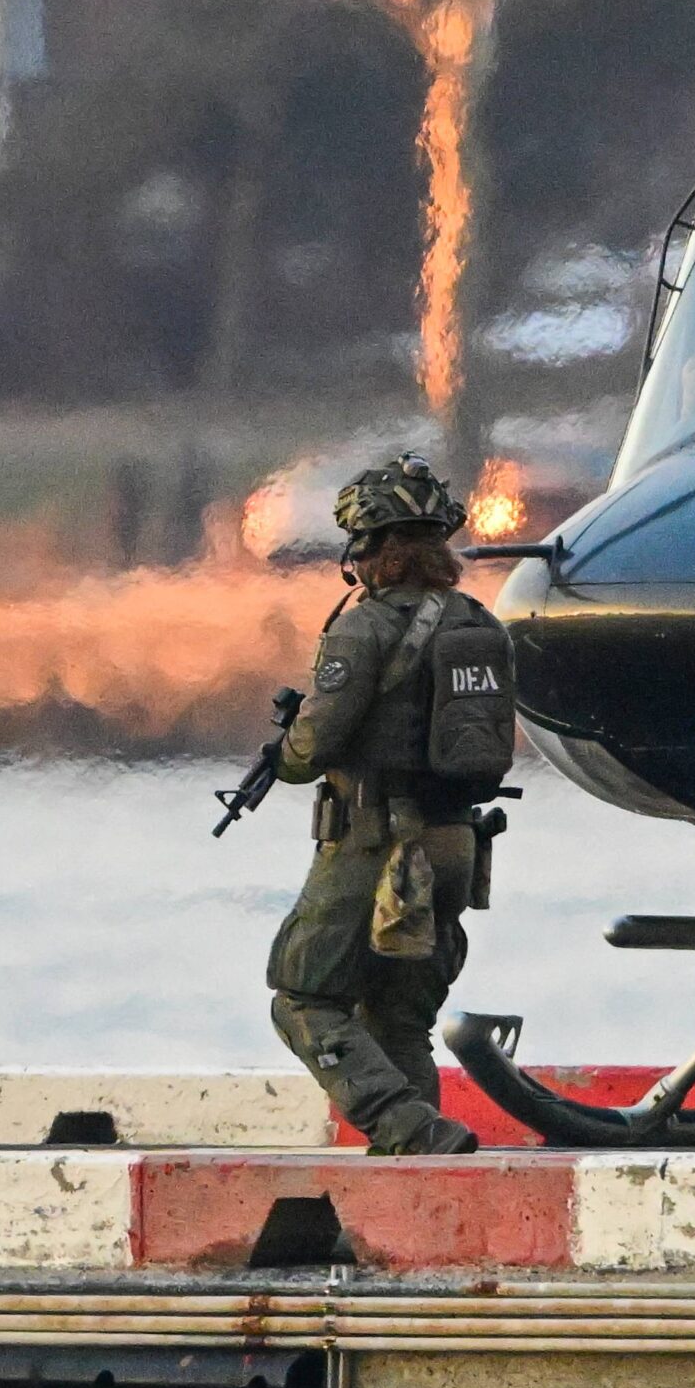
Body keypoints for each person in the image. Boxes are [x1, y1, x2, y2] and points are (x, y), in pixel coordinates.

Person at [267, 454, 517, 1156]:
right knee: (400, 1021)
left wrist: (282, 755)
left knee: (304, 998)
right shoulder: (480, 624)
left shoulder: (365, 628)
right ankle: (423, 1161)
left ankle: (410, 1129)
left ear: (378, 549)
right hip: (455, 846)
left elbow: (311, 747)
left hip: (377, 846)